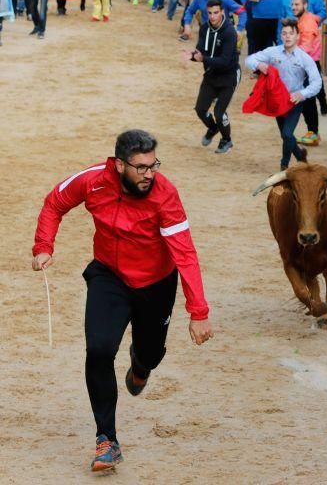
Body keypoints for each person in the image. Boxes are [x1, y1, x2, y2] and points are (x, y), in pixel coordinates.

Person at [31, 129, 213, 472]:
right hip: (109, 276)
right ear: (117, 165)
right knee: (98, 350)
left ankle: (141, 365)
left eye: (153, 165)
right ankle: (107, 440)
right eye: (140, 167)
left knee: (151, 354)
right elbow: (54, 202)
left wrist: (198, 311)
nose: (149, 174)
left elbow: (185, 253)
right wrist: (44, 246)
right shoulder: (92, 181)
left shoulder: (165, 195)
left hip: (155, 284)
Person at [246, 18, 322, 170]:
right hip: (277, 100)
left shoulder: (304, 58)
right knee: (286, 135)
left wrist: (302, 94)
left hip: (294, 101)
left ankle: (284, 165)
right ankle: (300, 155)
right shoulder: (273, 52)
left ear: (297, 36)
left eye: (291, 34)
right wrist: (258, 64)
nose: (287, 36)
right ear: (281, 36)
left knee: (287, 134)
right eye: (284, 33)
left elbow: (317, 82)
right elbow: (249, 59)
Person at [184, 0, 241, 153]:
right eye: (209, 13)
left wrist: (203, 59)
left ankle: (226, 140)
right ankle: (213, 128)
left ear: (222, 12)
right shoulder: (204, 28)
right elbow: (200, 50)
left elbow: (224, 61)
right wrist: (192, 55)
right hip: (211, 74)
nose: (213, 16)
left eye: (216, 12)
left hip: (229, 75)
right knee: (200, 109)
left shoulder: (229, 32)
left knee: (219, 112)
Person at [290, 0, 324, 147]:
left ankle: (313, 133)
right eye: (293, 4)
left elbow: (307, 47)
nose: (294, 7)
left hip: (309, 64)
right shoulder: (303, 20)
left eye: (297, 4)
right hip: (306, 63)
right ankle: (312, 132)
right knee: (308, 100)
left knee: (308, 101)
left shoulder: (308, 22)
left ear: (305, 5)